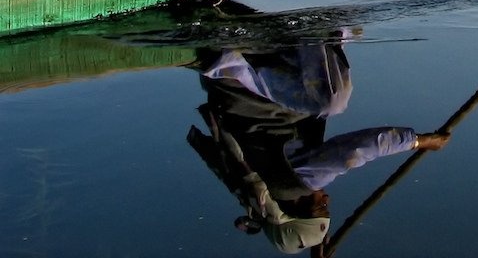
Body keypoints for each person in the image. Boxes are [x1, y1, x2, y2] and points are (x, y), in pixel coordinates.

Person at [186, 39, 448, 255]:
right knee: (319, 104)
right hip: (227, 84)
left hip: (244, 77)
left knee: (332, 102)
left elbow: (358, 150)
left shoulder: (301, 181)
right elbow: (295, 220)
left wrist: (419, 141)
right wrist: (317, 244)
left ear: (296, 208)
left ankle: (313, 36)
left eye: (320, 206)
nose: (327, 199)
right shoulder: (261, 187)